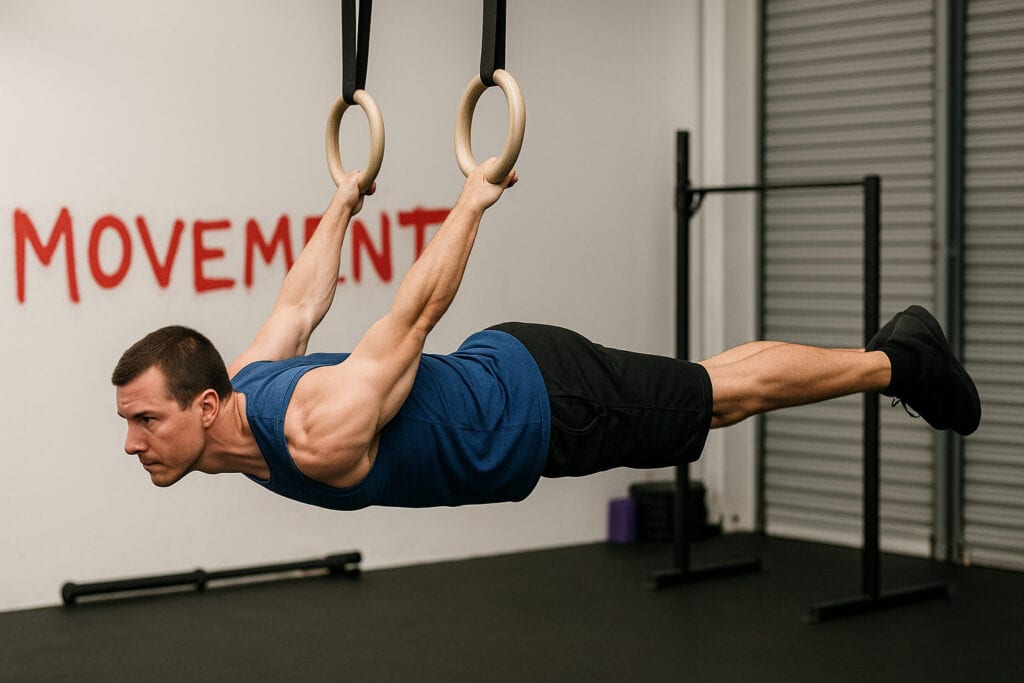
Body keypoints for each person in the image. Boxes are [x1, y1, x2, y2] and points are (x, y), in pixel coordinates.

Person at [112, 159, 981, 510]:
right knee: (712, 391)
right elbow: (301, 302)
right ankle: (893, 356)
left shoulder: (312, 426)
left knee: (720, 395)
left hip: (547, 405)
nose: (131, 440)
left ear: (207, 402)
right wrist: (344, 199)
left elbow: (411, 317)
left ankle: (898, 358)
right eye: (129, 421)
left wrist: (471, 200)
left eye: (146, 419)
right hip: (519, 384)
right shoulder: (252, 380)